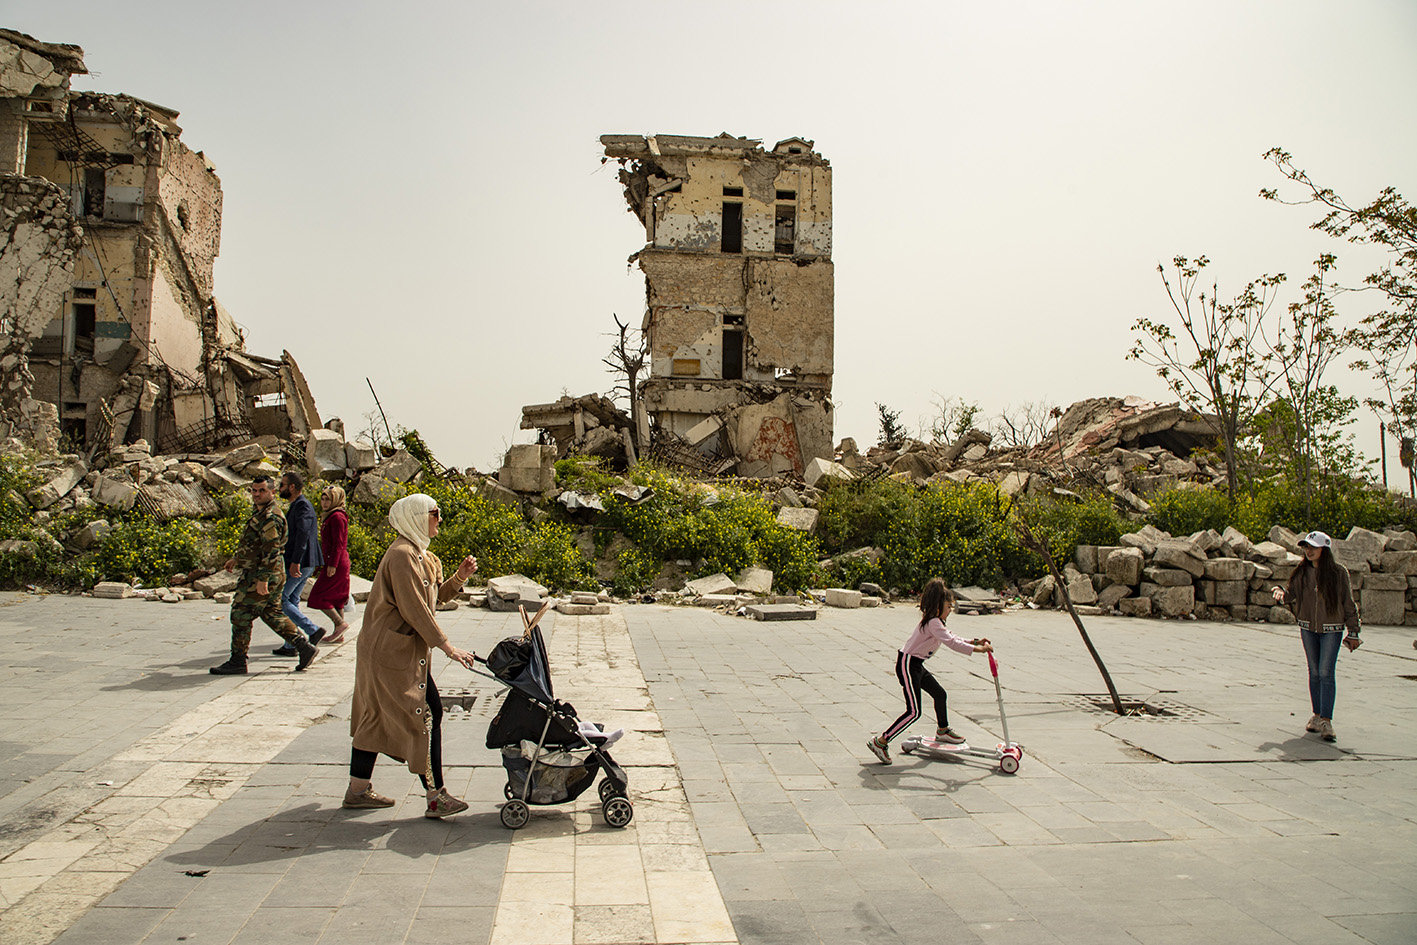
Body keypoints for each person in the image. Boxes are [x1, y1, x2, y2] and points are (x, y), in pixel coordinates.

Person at [344, 493, 479, 817]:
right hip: (388, 655)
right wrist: (447, 647)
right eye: (435, 513)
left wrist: (459, 578)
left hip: (399, 653)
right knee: (427, 716)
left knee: (375, 717)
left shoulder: (422, 556)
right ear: (417, 517)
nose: (439, 519)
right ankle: (436, 795)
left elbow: (430, 599)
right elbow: (414, 610)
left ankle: (357, 790)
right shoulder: (402, 555)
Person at [867, 578, 993, 764]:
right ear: (937, 606)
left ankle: (943, 730)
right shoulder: (934, 622)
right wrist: (978, 650)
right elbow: (952, 643)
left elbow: (952, 637)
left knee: (940, 694)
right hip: (908, 664)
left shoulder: (936, 623)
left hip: (916, 664)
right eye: (949, 606)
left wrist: (975, 642)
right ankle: (881, 741)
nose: (950, 610)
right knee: (914, 712)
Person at [210, 476, 318, 675]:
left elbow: (271, 549)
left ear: (272, 492)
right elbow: (254, 544)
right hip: (263, 572)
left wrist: (263, 579)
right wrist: (237, 559)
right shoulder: (260, 513)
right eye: (254, 490)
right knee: (271, 613)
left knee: (240, 614)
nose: (257, 494)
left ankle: (238, 660)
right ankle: (303, 646)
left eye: (261, 490)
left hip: (262, 574)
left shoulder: (270, 516)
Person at [1271, 530, 1361, 743]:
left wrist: (1354, 631)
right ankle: (1317, 714)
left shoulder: (1339, 573)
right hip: (1308, 628)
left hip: (1332, 629)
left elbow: (1348, 603)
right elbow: (1290, 595)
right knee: (1313, 672)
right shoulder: (1302, 572)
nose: (1308, 551)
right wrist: (1280, 593)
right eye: (1306, 547)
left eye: (1313, 547)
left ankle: (1327, 721)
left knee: (1326, 672)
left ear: (1325, 549)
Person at [273, 472, 325, 656]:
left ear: (292, 487)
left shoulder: (302, 506)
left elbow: (302, 535)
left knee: (280, 600)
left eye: (282, 485)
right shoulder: (297, 505)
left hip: (301, 562)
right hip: (303, 561)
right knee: (293, 600)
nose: (280, 489)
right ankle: (291, 645)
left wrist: (295, 561)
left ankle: (312, 630)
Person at [308, 485, 353, 644]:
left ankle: (340, 624)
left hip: (336, 562)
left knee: (318, 596)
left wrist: (332, 564)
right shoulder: (332, 515)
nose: (325, 502)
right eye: (323, 498)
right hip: (334, 560)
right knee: (336, 598)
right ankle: (339, 633)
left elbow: (339, 543)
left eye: (329, 499)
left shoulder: (337, 517)